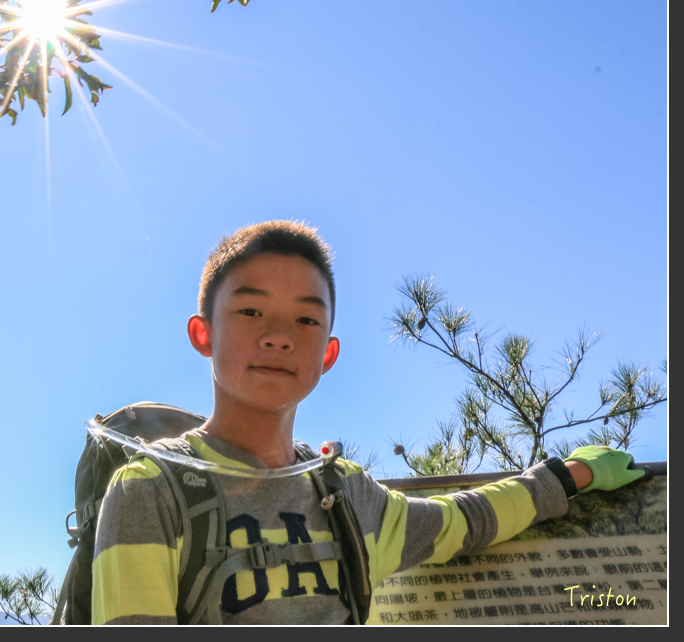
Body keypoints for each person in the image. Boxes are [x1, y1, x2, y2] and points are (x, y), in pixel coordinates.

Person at [90, 220, 646, 625]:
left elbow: (462, 522)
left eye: (306, 318)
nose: (280, 335)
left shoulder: (344, 492)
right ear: (203, 334)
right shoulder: (149, 493)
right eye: (251, 310)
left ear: (328, 354)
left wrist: (570, 477)